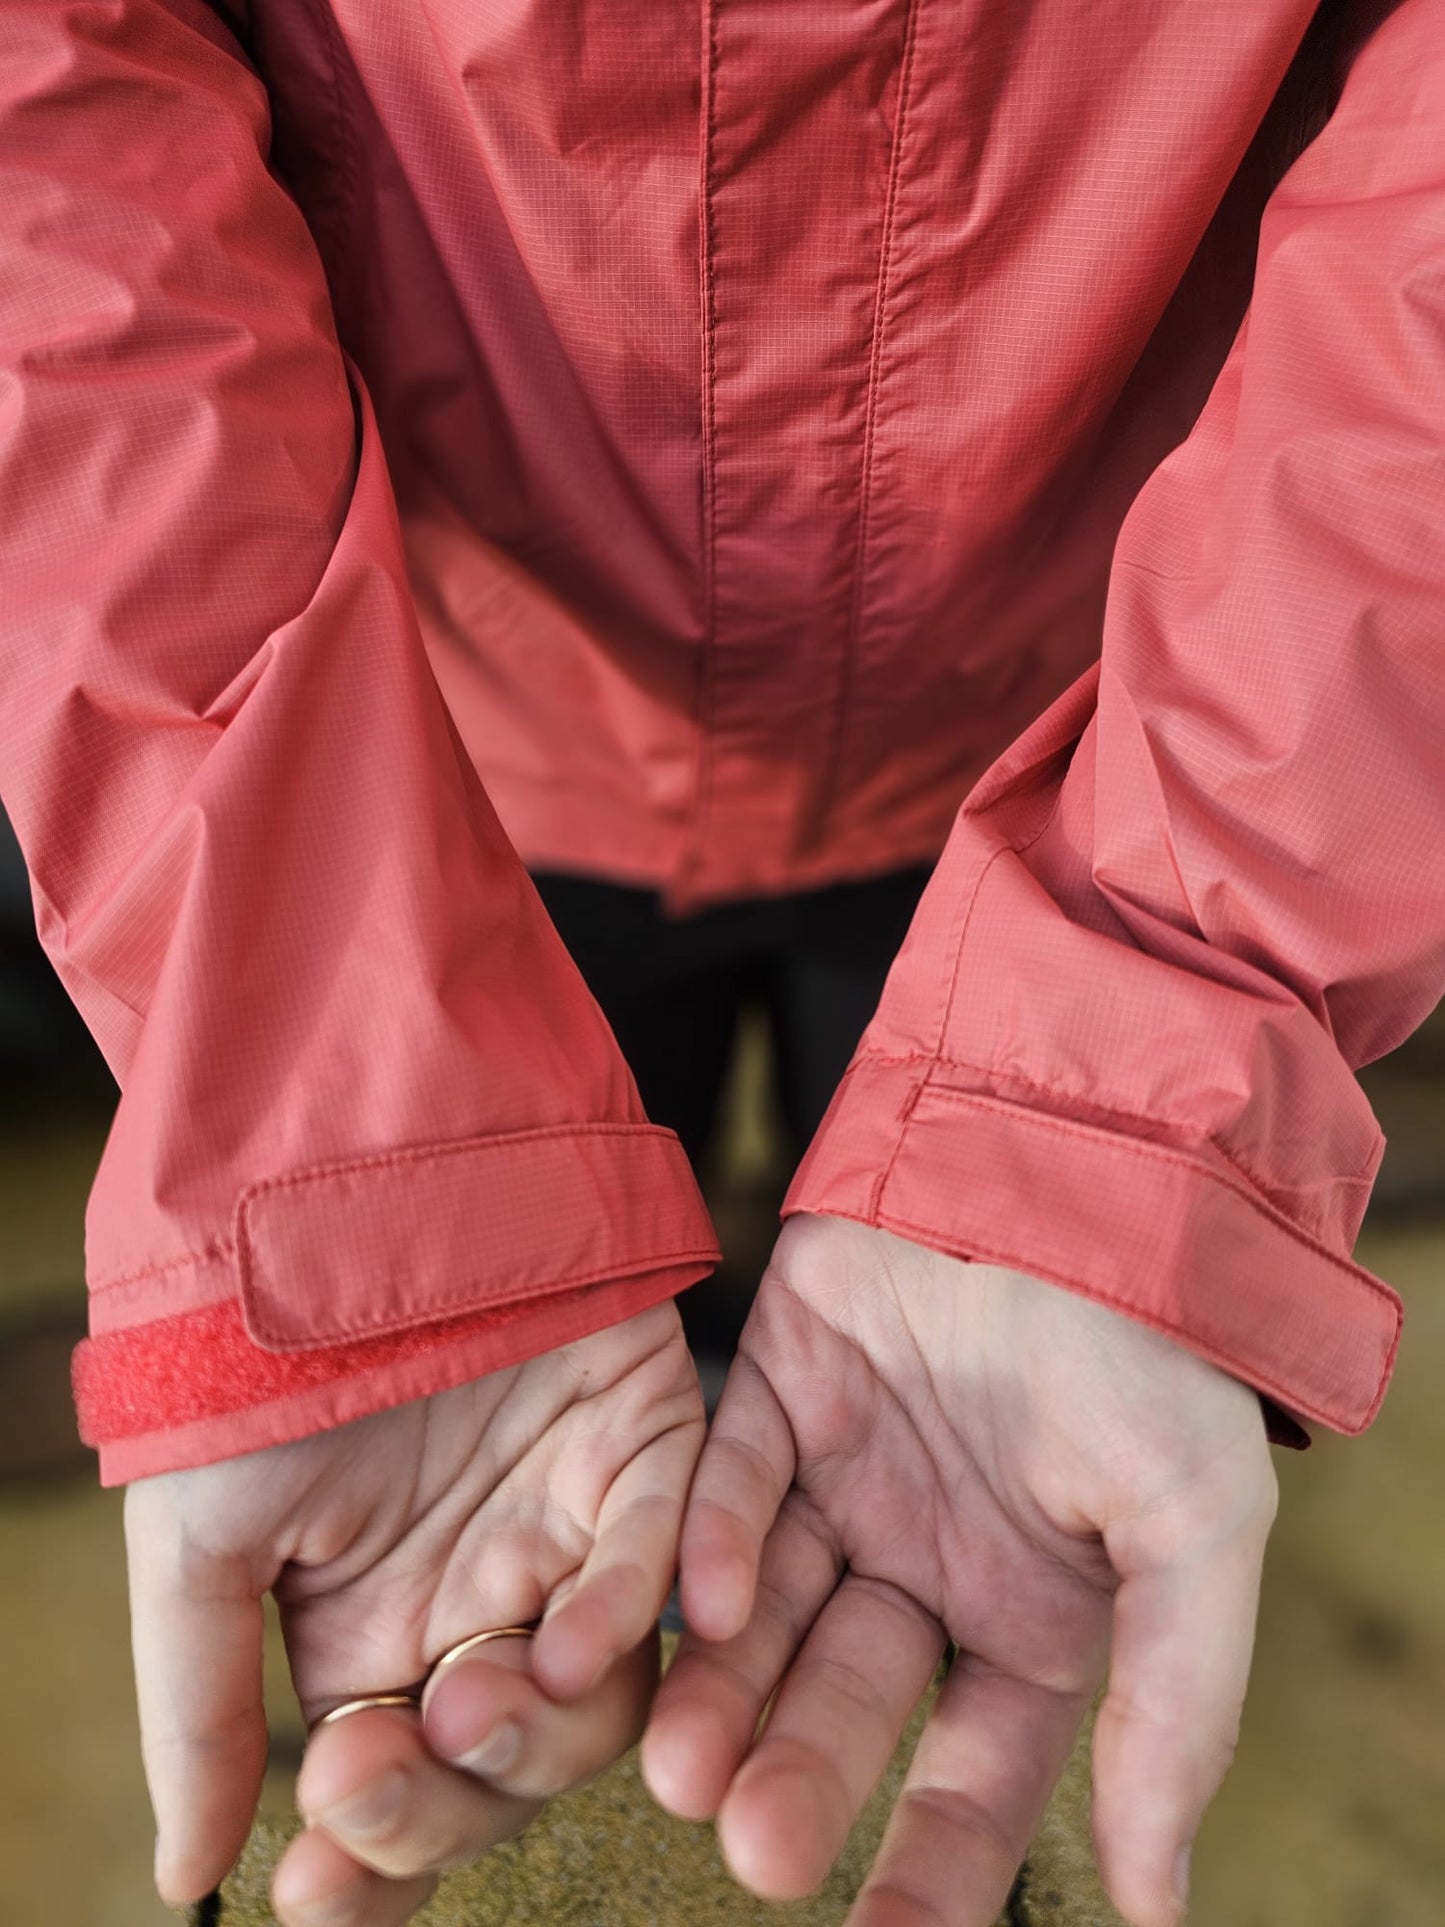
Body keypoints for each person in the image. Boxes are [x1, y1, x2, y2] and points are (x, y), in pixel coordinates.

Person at [1, 1, 1440, 1924]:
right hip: (430, 759)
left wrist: (1133, 1060)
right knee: (658, 1339)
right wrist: (346, 1138)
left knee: (912, 1448)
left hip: (1100, 740)